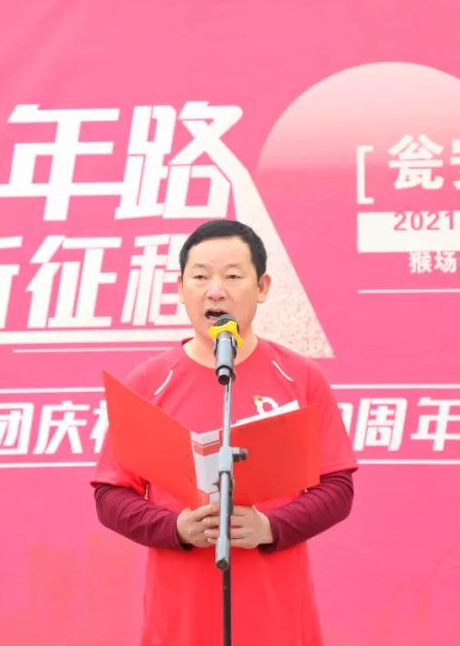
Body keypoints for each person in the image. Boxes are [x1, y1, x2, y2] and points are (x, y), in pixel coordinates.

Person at [91, 219, 357, 646]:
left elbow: (337, 488)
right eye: (200, 277)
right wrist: (175, 528)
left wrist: (270, 527)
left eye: (233, 276)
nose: (215, 290)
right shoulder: (149, 383)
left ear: (262, 287)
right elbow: (110, 496)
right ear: (181, 288)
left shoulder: (299, 377)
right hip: (180, 619)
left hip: (277, 614)